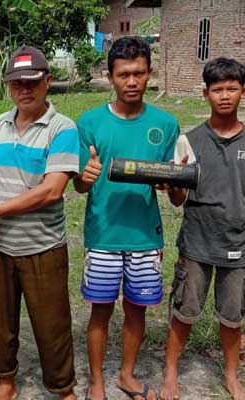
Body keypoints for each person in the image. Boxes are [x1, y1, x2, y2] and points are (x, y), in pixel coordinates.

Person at [0, 45, 78, 400]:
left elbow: (51, 191)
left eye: (32, 82)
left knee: (52, 325)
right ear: (8, 86)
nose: (24, 90)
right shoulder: (0, 123)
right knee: (0, 322)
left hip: (42, 246)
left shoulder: (62, 129)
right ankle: (6, 381)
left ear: (48, 82)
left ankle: (62, 388)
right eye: (17, 84)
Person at [73, 36, 180, 400]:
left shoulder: (165, 125)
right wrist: (83, 178)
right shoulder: (89, 123)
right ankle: (97, 382)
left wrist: (171, 183)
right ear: (110, 77)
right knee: (100, 312)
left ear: (150, 74)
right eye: (123, 75)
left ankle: (126, 376)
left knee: (137, 311)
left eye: (138, 73)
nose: (131, 82)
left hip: (144, 236)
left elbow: (174, 188)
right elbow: (79, 186)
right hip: (103, 234)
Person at [159, 58, 245, 400]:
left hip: (238, 244)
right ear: (205, 93)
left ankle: (231, 375)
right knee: (185, 310)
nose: (225, 96)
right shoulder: (189, 141)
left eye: (232, 89)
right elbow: (178, 201)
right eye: (217, 89)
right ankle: (169, 373)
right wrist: (172, 182)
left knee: (233, 315)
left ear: (243, 91)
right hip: (196, 242)